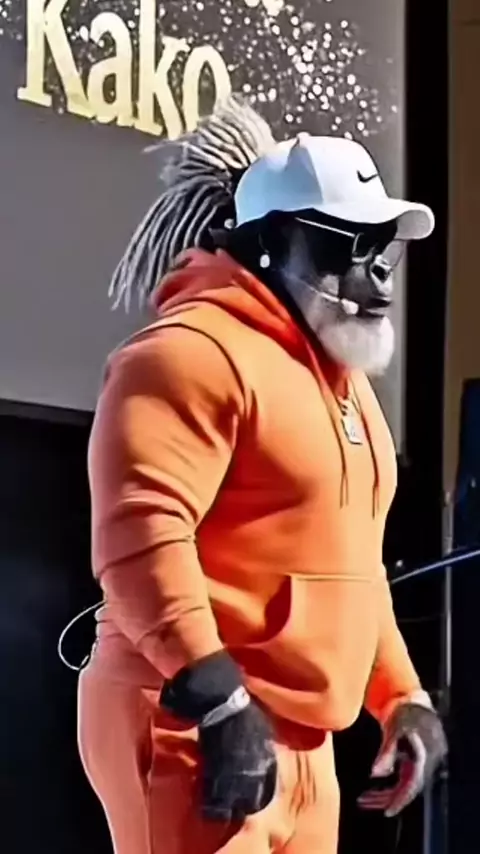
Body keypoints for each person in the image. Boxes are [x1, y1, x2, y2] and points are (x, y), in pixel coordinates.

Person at [78, 97, 447, 854]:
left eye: (383, 245)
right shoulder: (187, 353)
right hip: (193, 719)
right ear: (274, 243)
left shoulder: (341, 384)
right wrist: (215, 695)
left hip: (300, 734)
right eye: (349, 243)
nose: (377, 271)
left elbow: (352, 566)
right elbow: (140, 537)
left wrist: (398, 695)